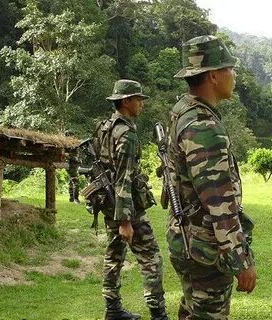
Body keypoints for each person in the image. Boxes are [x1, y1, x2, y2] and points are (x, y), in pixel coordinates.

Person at [166, 35, 257, 319]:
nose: (234, 75)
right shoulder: (203, 126)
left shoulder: (184, 110)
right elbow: (218, 201)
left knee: (192, 311)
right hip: (205, 249)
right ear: (214, 76)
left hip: (188, 239)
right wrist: (240, 259)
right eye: (230, 69)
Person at [97, 79, 168, 320]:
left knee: (113, 255)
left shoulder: (105, 127)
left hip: (108, 203)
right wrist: (125, 220)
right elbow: (124, 178)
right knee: (151, 258)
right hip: (127, 209)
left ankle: (112, 309)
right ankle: (158, 314)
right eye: (138, 99)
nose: (142, 104)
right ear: (126, 101)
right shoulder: (126, 134)